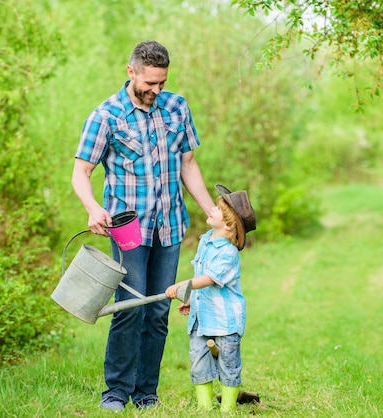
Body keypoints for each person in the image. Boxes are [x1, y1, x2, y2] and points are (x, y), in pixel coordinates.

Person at [71, 40, 215, 412]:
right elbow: (81, 172)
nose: (156, 91)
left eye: (162, 83)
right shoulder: (106, 116)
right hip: (128, 231)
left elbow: (189, 165)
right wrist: (92, 208)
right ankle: (116, 392)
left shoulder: (176, 107)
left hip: (170, 225)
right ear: (130, 71)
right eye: (150, 83)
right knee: (130, 307)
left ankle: (146, 392)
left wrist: (211, 210)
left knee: (159, 311)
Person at [166, 184, 256, 413]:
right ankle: (204, 407)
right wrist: (191, 299)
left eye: (217, 209)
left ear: (227, 224)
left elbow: (209, 278)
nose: (211, 210)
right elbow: (200, 277)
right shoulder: (205, 241)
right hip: (201, 317)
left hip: (225, 322)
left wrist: (182, 286)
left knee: (228, 365)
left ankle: (227, 408)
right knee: (199, 363)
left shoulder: (228, 252)